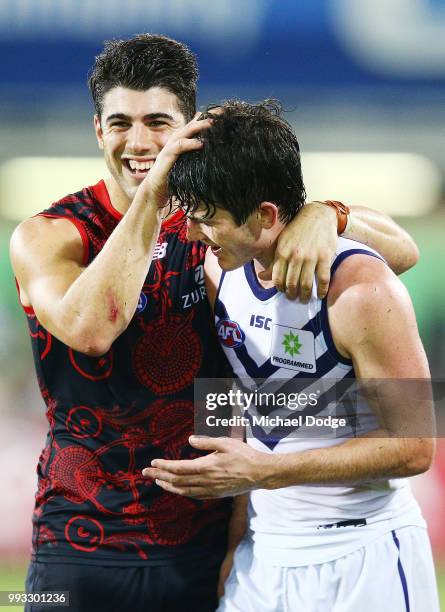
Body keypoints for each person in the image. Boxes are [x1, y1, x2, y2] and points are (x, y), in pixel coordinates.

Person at [10, 34, 419, 612]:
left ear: (189, 129)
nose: (140, 140)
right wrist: (153, 194)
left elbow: (398, 252)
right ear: (98, 131)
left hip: (202, 541)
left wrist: (328, 213)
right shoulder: (49, 235)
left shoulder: (213, 232)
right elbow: (91, 329)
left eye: (159, 121)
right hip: (77, 543)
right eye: (120, 122)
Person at [144, 100, 439, 611]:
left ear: (264, 215)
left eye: (207, 219)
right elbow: (237, 408)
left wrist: (264, 472)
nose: (192, 233)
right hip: (264, 558)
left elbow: (416, 448)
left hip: (363, 554)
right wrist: (235, 540)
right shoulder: (218, 275)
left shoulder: (362, 290)